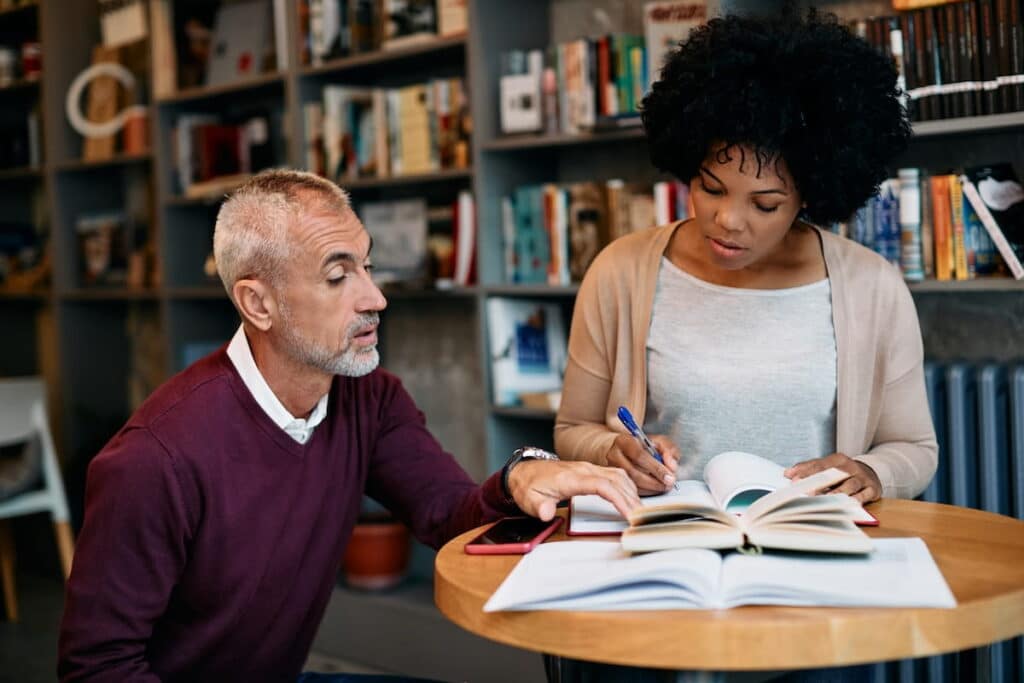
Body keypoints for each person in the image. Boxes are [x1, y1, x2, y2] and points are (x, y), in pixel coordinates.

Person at [58, 169, 640, 683]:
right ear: (257, 304)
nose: (376, 297)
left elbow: (447, 514)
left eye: (368, 265)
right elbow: (96, 666)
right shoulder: (154, 458)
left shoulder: (370, 397)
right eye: (338, 277)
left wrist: (518, 478)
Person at [552, 8, 938, 682]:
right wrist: (614, 449)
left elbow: (916, 449)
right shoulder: (620, 271)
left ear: (810, 195)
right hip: (663, 571)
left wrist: (872, 473)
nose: (727, 220)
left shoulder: (872, 289)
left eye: (764, 203)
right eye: (709, 186)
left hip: (809, 581)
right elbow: (572, 428)